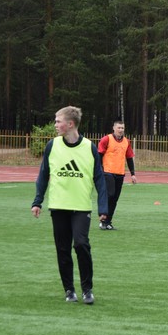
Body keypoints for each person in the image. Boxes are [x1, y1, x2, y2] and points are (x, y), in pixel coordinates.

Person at [31, 106, 108, 305]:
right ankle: (69, 290)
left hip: (81, 207)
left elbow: (99, 178)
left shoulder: (89, 147)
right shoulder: (52, 145)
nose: (55, 125)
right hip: (58, 206)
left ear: (70, 124)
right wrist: (37, 201)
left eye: (58, 121)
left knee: (81, 244)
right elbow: (43, 175)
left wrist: (103, 207)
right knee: (63, 249)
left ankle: (87, 289)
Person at [97, 121, 137, 230]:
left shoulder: (126, 142)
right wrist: (99, 170)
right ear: (114, 128)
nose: (121, 130)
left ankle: (107, 222)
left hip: (120, 173)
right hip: (108, 172)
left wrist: (133, 174)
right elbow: (99, 155)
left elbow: (129, 158)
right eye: (119, 128)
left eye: (122, 128)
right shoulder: (106, 139)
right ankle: (103, 217)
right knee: (110, 194)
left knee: (115, 199)